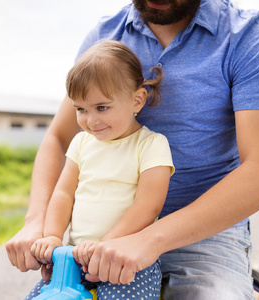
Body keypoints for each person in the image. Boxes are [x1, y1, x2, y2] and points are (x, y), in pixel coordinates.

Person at [6, 0, 259, 299]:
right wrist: (37, 223)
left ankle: (246, 287)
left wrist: (148, 239)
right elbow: (59, 139)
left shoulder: (244, 34)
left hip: (207, 232)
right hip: (100, 235)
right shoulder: (105, 34)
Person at [24, 40, 174, 299]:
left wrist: (105, 246)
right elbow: (63, 194)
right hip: (75, 256)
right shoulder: (81, 142)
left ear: (137, 100)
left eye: (102, 107)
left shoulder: (151, 145)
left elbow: (148, 207)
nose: (90, 121)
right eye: (81, 109)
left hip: (126, 258)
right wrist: (52, 237)